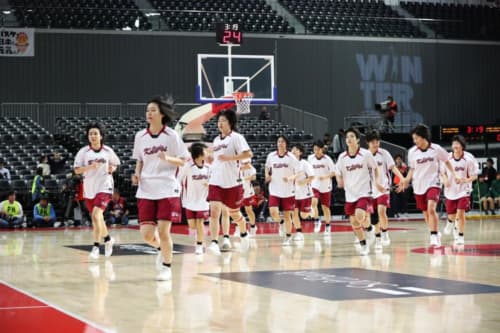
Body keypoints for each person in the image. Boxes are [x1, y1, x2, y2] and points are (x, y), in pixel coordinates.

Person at [132, 95, 188, 280]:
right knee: (147, 235)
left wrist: (167, 158)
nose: (149, 113)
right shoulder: (140, 136)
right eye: (147, 110)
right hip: (146, 188)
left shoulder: (171, 135)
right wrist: (137, 173)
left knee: (164, 231)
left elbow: (183, 160)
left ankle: (167, 266)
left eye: (153, 110)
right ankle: (160, 249)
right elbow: (139, 159)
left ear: (162, 114)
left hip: (167, 188)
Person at [399, 124, 458, 247]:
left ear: (424, 136)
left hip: (433, 183)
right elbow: (412, 169)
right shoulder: (412, 152)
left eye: (417, 138)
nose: (415, 141)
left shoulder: (437, 149)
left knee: (431, 208)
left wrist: (454, 175)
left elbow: (447, 161)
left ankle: (433, 235)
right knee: (426, 214)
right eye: (413, 139)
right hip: (418, 185)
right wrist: (405, 179)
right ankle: (435, 231)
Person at [206, 109, 253, 255]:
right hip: (216, 181)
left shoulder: (236, 138)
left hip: (232, 182)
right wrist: (211, 160)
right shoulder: (215, 140)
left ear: (230, 123)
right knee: (214, 212)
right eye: (219, 121)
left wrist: (229, 158)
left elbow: (248, 154)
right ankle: (214, 242)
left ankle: (244, 232)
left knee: (234, 214)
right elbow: (217, 159)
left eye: (223, 121)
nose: (220, 123)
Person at [74, 122, 120, 261]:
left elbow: (115, 164)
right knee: (97, 218)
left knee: (96, 214)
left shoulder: (107, 151)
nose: (93, 136)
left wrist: (112, 168)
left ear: (101, 136)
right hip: (89, 188)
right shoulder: (83, 152)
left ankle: (95, 247)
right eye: (90, 134)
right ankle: (108, 239)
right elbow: (76, 170)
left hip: (105, 186)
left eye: (95, 133)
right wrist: (89, 167)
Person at [336, 127, 384, 256]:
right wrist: (339, 180)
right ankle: (364, 243)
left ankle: (369, 229)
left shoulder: (365, 154)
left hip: (364, 192)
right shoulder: (342, 157)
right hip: (350, 193)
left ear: (357, 139)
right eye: (347, 137)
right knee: (354, 222)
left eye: (352, 136)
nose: (349, 139)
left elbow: (376, 169)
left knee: (359, 215)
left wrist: (378, 183)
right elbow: (337, 172)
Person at [365, 130, 405, 249]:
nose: (376, 144)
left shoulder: (384, 153)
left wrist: (402, 178)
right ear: (368, 142)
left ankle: (385, 233)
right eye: (373, 142)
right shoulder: (365, 155)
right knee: (374, 218)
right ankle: (377, 239)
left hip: (384, 188)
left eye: (377, 141)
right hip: (369, 190)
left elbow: (392, 168)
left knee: (382, 211)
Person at [441, 135, 478, 245]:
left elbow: (474, 176)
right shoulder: (447, 158)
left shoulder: (469, 159)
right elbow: (442, 172)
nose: (455, 146)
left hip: (464, 190)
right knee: (452, 215)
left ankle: (461, 235)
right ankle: (450, 222)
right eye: (454, 144)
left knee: (461, 213)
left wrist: (465, 180)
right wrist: (445, 180)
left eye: (457, 144)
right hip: (450, 191)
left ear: (462, 146)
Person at [265, 135, 299, 246]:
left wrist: (289, 178)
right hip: (274, 189)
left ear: (286, 144)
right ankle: (281, 222)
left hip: (288, 191)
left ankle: (288, 237)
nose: (280, 143)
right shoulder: (271, 156)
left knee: (287, 215)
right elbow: (267, 167)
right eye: (279, 141)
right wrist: (267, 176)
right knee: (273, 212)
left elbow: (298, 173)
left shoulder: (291, 158)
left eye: (282, 142)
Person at [179, 142, 210, 255]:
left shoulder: (208, 168)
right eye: (204, 151)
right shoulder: (188, 167)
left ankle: (199, 245)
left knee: (200, 223)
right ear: (199, 154)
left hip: (203, 201)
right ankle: (199, 238)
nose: (206, 153)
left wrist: (210, 184)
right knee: (192, 226)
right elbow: (179, 179)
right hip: (189, 201)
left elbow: (214, 181)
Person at [307, 140, 336, 236]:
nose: (316, 151)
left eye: (318, 149)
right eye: (315, 149)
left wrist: (325, 177)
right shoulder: (310, 158)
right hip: (314, 184)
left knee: (325, 207)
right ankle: (316, 220)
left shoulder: (327, 159)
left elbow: (333, 172)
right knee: (313, 202)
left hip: (325, 185)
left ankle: (328, 226)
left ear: (322, 149)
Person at [291, 143, 314, 242]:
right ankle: (299, 233)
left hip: (305, 193)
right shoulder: (289, 163)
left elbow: (312, 176)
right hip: (293, 193)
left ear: (300, 152)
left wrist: (303, 182)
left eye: (296, 149)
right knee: (294, 213)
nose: (293, 151)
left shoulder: (305, 163)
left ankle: (310, 211)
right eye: (292, 149)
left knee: (303, 215)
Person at [240, 159, 258, 236]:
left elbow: (254, 177)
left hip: (247, 191)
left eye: (247, 163)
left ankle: (253, 227)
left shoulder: (251, 168)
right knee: (236, 210)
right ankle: (240, 228)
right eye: (244, 163)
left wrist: (244, 179)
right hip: (238, 190)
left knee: (249, 210)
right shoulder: (237, 166)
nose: (246, 164)